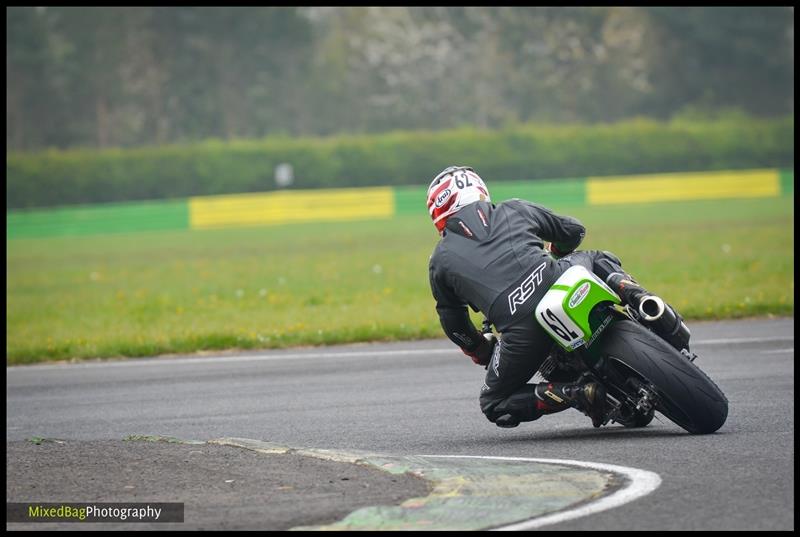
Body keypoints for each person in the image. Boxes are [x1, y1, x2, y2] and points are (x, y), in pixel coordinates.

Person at [426, 165, 688, 429]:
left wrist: (480, 350)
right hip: (557, 277)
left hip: (520, 329)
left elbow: (454, 323)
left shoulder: (440, 260)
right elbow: (574, 231)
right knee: (597, 257)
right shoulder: (514, 208)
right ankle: (641, 299)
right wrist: (559, 250)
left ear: (438, 212)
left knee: (494, 403)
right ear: (479, 190)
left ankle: (577, 393)